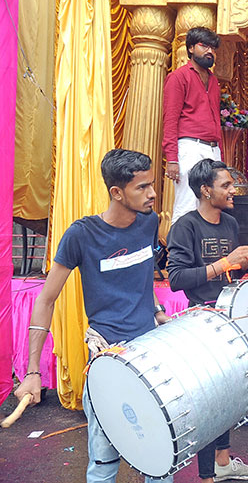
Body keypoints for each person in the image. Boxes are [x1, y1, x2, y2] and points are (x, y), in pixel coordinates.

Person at [14, 149, 173, 483]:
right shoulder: (82, 235)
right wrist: (31, 371)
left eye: (152, 185)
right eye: (142, 187)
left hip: (151, 357)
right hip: (108, 363)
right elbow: (45, 299)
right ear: (116, 192)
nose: (153, 194)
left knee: (160, 462)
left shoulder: (149, 222)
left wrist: (156, 310)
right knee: (103, 464)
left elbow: (142, 275)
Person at [166, 159, 248, 482]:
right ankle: (207, 475)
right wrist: (225, 262)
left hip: (227, 319)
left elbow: (232, 273)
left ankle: (223, 463)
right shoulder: (186, 226)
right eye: (225, 185)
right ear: (205, 191)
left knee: (229, 395)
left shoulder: (231, 223)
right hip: (200, 323)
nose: (233, 190)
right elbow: (177, 278)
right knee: (209, 400)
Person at [163, 26, 222, 225]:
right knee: (187, 204)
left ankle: (204, 255)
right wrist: (171, 158)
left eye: (213, 48)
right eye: (203, 45)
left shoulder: (214, 81)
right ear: (190, 49)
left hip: (212, 149)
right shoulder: (178, 77)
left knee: (211, 205)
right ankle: (179, 256)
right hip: (189, 147)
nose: (209, 51)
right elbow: (170, 119)